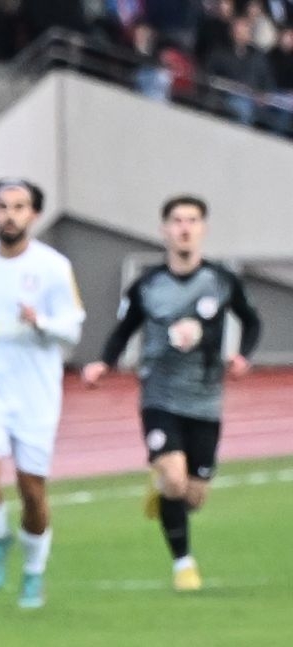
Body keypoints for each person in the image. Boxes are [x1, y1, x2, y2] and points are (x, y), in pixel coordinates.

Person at [81, 195, 261, 591]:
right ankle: (184, 565)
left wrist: (243, 357)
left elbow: (251, 321)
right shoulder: (147, 285)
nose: (184, 228)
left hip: (206, 397)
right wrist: (104, 363)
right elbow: (124, 329)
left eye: (192, 220)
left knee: (193, 496)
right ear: (164, 229)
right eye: (177, 220)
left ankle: (162, 485)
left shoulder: (221, 280)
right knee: (176, 481)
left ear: (203, 228)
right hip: (159, 395)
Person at [0, 178, 84, 609]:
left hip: (35, 393)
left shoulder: (53, 267)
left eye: (19, 207)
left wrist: (39, 320)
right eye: (2, 206)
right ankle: (0, 537)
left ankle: (33, 572)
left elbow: (73, 327)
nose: (10, 214)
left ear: (34, 215)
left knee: (31, 491)